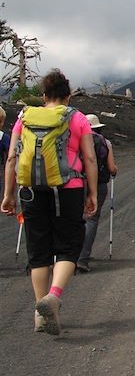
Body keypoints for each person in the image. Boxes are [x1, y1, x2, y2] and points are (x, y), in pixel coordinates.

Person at [1, 69, 98, 335]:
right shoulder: (77, 118)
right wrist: (92, 193)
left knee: (38, 251)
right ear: (68, 96)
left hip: (30, 190)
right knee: (69, 247)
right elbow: (89, 159)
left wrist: (8, 194)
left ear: (44, 96)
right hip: (68, 189)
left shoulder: (24, 117)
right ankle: (53, 297)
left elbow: (11, 159)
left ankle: (39, 314)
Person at [76, 114, 118, 272]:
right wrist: (114, 171)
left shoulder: (75, 140)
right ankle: (83, 259)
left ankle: (69, 257)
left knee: (75, 218)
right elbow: (112, 168)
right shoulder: (105, 142)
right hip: (99, 184)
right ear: (98, 128)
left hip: (76, 183)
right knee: (91, 219)